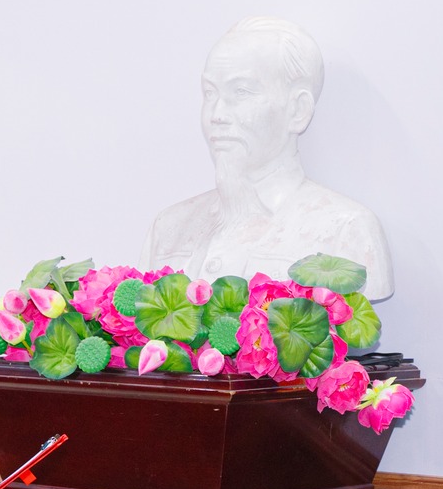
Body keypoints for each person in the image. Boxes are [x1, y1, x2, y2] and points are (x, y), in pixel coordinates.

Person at [142, 16, 394, 297]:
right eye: (210, 93)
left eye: (241, 91)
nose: (217, 115)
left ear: (298, 110)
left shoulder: (346, 231)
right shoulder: (169, 230)